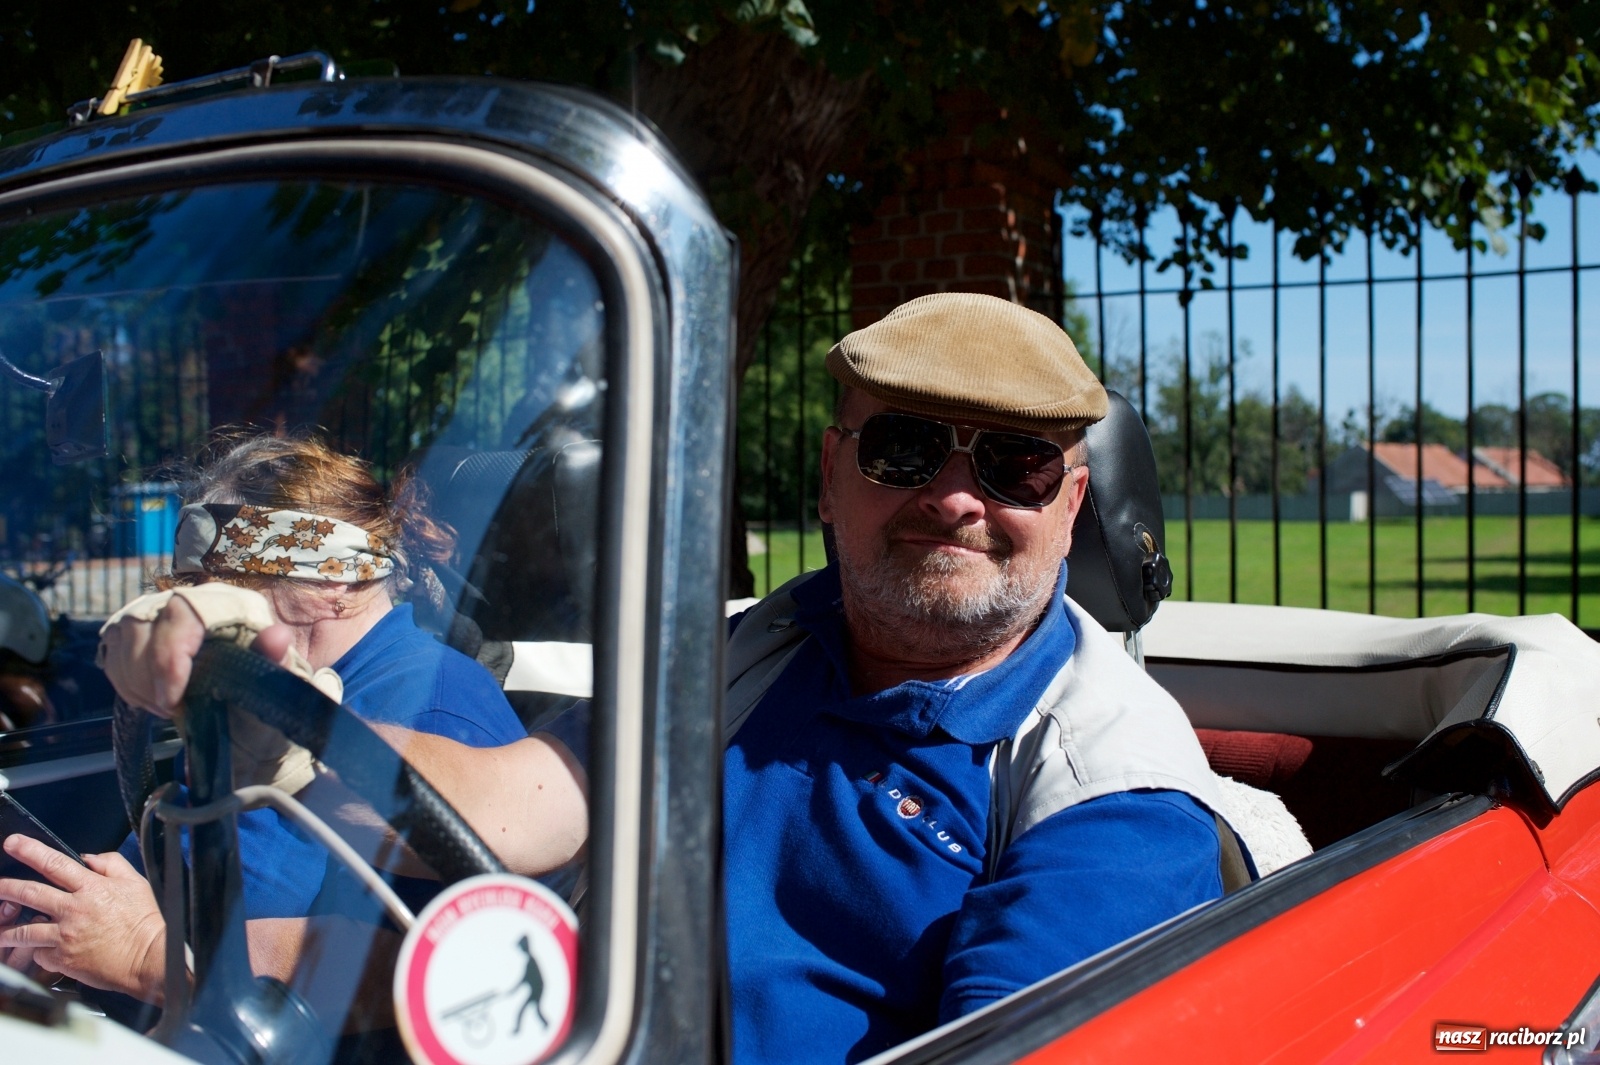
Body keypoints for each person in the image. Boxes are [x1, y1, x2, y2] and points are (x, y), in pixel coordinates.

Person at [77, 294, 1244, 1062]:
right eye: (902, 450)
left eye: (1014, 465)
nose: (954, 498)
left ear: (1070, 503)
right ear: (833, 478)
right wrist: (260, 708)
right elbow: (508, 804)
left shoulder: (1112, 795)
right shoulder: (752, 656)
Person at [0, 434, 576, 1005]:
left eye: (234, 587)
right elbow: (162, 865)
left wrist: (147, 949)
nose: (209, 614)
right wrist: (56, 929)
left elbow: (434, 968)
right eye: (198, 589)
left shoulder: (435, 709)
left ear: (336, 579)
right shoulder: (259, 687)